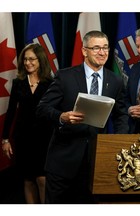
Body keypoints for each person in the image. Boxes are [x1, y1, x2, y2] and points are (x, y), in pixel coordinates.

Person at [36, 30, 129, 204]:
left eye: (105, 48)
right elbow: (42, 108)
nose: (102, 53)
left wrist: (118, 141)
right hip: (63, 161)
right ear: (84, 51)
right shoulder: (65, 77)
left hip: (95, 162)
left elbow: (121, 114)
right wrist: (62, 116)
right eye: (96, 48)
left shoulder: (115, 80)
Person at [1, 43, 54, 204]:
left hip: (44, 139)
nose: (27, 62)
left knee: (42, 180)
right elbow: (11, 112)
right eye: (25, 59)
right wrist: (5, 140)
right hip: (23, 138)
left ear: (41, 60)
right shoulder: (19, 82)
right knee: (28, 179)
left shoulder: (50, 83)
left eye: (32, 59)